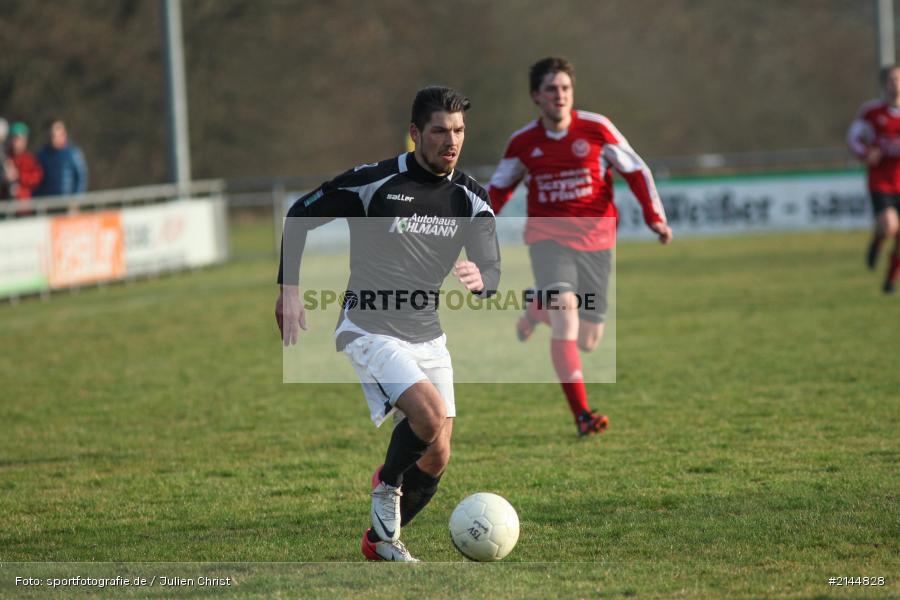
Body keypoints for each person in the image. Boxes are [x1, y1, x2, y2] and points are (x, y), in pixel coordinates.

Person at [275, 86, 500, 562]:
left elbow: (490, 268)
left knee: (438, 454)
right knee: (428, 414)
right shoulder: (374, 183)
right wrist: (288, 289)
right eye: (439, 130)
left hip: (428, 333)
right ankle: (387, 488)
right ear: (416, 133)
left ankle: (379, 541)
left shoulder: (472, 199)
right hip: (368, 326)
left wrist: (484, 280)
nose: (451, 140)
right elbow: (299, 214)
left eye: (458, 131)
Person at [487, 57, 672, 437]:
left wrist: (655, 216)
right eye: (552, 89)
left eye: (566, 88)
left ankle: (537, 308)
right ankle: (583, 415)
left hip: (598, 242)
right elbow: (497, 190)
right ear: (536, 96)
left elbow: (636, 170)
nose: (560, 95)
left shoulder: (597, 129)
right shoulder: (523, 143)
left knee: (588, 340)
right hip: (548, 240)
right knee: (567, 314)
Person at [847, 65, 900, 294]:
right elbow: (853, 137)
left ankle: (890, 281)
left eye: (899, 79)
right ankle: (877, 242)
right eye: (891, 80)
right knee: (890, 225)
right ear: (884, 84)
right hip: (882, 181)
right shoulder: (872, 112)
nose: (895, 84)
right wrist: (866, 153)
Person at [35, 119, 87, 197]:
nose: (51, 139)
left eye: (54, 135)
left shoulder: (73, 153)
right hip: (48, 203)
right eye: (49, 136)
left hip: (68, 203)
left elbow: (81, 178)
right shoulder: (41, 156)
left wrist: (76, 200)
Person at [6, 122, 44, 202]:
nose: (15, 142)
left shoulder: (30, 160)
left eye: (18, 139)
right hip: (4, 206)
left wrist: (18, 175)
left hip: (24, 207)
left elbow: (37, 178)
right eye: (13, 138)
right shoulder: (5, 158)